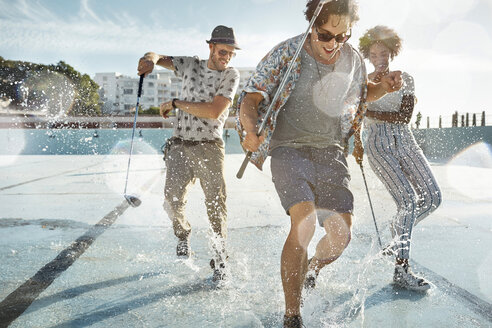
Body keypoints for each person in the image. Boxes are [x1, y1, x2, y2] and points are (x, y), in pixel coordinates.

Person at [237, 1, 402, 326]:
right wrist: (250, 128)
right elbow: (251, 97)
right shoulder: (286, 53)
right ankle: (292, 315)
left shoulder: (353, 58)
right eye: (326, 34)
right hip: (289, 149)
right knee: (305, 223)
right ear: (313, 24)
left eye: (342, 36)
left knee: (341, 236)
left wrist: (382, 87)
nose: (333, 44)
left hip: (330, 151)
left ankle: (311, 269)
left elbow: (362, 91)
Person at [137, 25, 240, 281]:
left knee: (216, 206)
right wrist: (149, 59)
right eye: (222, 51)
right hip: (180, 144)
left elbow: (214, 111)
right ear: (211, 47)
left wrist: (175, 104)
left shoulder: (231, 75)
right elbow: (159, 57)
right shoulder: (190, 65)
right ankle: (183, 235)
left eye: (231, 53)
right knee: (171, 200)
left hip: (209, 146)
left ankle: (219, 260)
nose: (226, 57)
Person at [354, 25, 442, 291]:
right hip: (378, 142)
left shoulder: (406, 79)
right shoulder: (362, 82)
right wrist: (356, 140)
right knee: (408, 201)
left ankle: (397, 229)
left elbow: (405, 117)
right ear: (368, 55)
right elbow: (356, 112)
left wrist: (371, 113)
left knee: (433, 198)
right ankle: (402, 271)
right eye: (374, 52)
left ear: (392, 52)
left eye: (384, 52)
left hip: (405, 139)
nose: (380, 57)